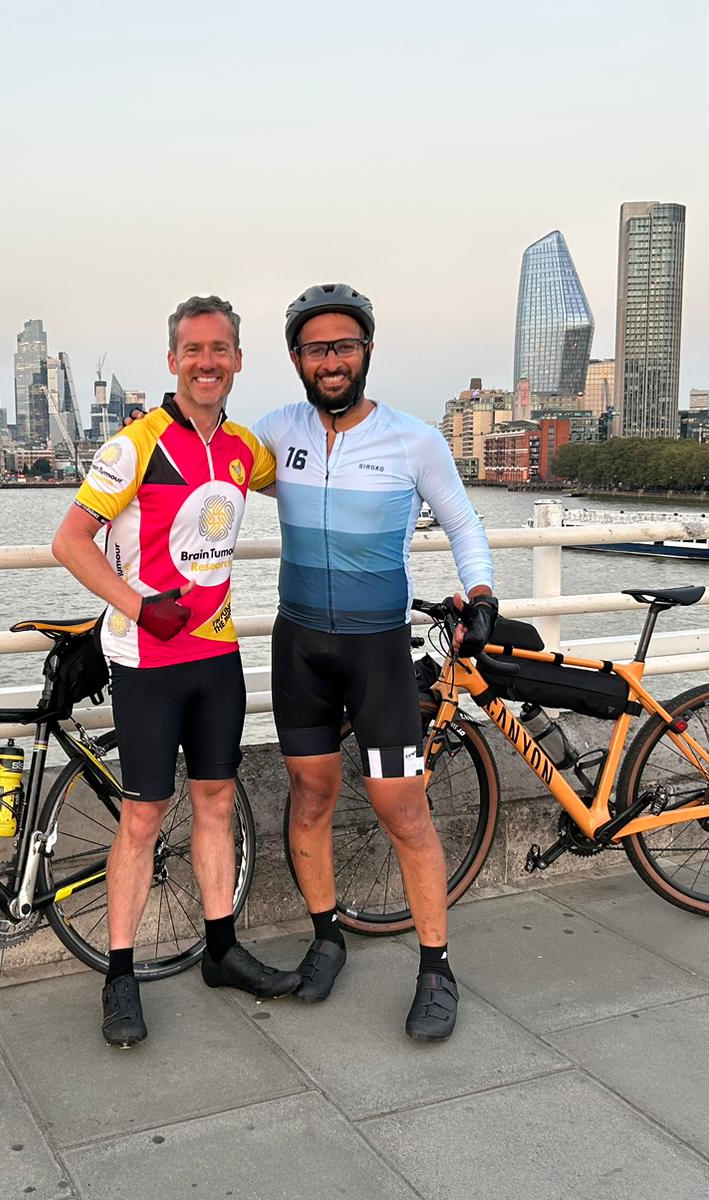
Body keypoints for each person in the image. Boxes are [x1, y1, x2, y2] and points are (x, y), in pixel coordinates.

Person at [51, 295, 301, 1048]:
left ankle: (221, 950)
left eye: (220, 349)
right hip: (148, 659)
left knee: (217, 801)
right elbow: (69, 542)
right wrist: (136, 601)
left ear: (236, 361)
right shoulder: (135, 445)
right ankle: (119, 975)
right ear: (172, 361)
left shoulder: (241, 450)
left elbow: (307, 479)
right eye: (193, 350)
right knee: (143, 816)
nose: (207, 362)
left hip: (217, 657)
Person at [254, 283, 498, 1041]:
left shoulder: (413, 439)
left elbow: (463, 522)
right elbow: (199, 474)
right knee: (312, 792)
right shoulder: (272, 434)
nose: (332, 361)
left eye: (345, 346)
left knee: (402, 807)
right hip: (299, 644)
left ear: (365, 352)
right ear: (297, 358)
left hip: (377, 652)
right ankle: (327, 935)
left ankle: (436, 968)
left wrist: (481, 593)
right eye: (317, 348)